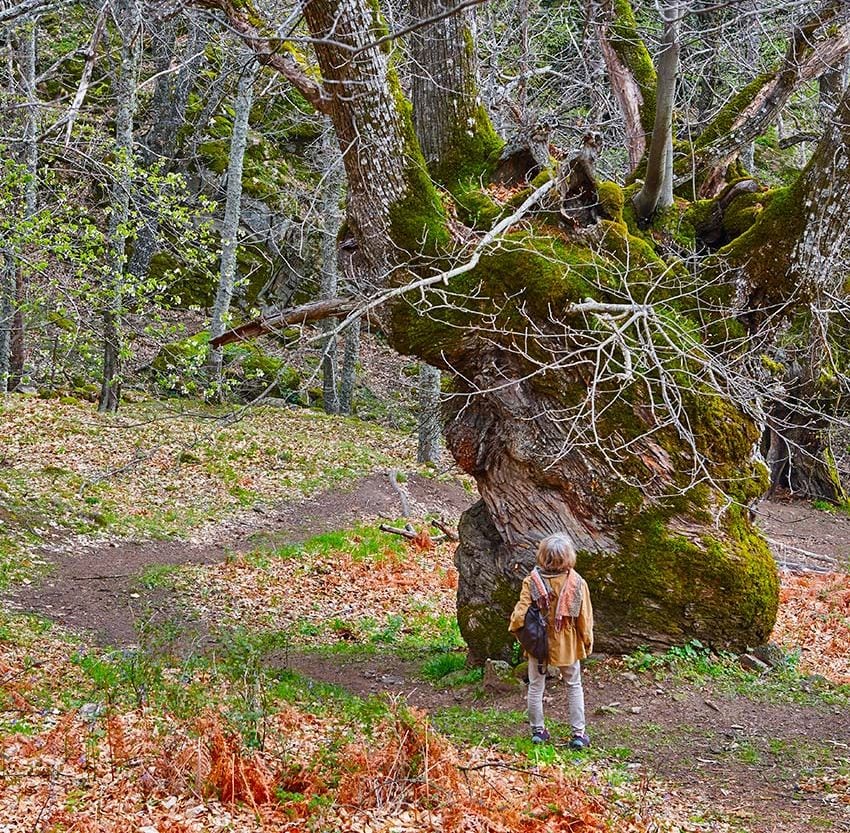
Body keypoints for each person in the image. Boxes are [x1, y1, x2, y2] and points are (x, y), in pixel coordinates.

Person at [509, 533, 594, 748]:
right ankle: (578, 734)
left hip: (539, 642)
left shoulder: (532, 581)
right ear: (568, 557)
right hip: (567, 642)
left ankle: (538, 731)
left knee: (536, 686)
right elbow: (584, 616)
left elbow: (519, 616)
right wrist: (586, 639)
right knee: (573, 685)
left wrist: (522, 636)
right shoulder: (576, 582)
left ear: (543, 556)